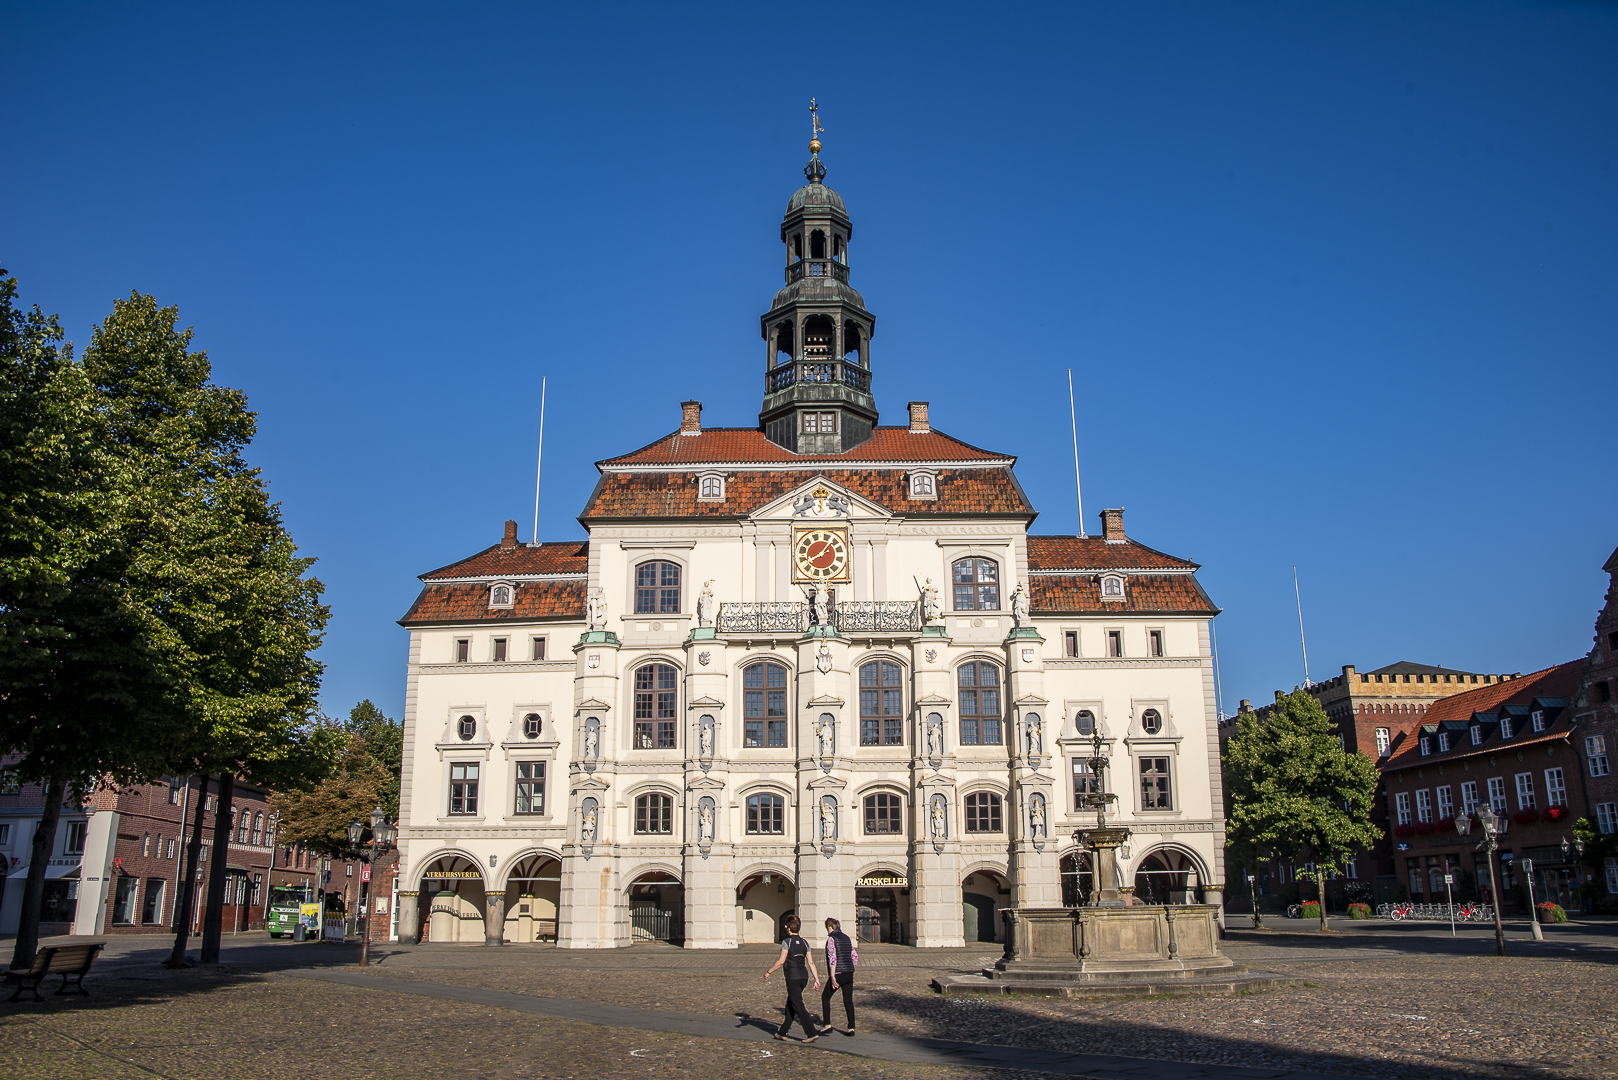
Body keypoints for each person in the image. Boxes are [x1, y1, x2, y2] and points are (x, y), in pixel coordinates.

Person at [763, 915, 821, 1041]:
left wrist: (769, 972)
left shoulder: (786, 942)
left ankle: (811, 1032)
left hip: (792, 977)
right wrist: (816, 979)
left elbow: (781, 961)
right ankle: (782, 1032)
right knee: (791, 1003)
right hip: (803, 977)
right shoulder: (805, 943)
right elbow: (811, 962)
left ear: (788, 928)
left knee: (798, 1004)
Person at [819, 917, 858, 1035]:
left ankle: (827, 1025)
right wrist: (851, 968)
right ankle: (851, 1027)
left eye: (827, 928)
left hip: (838, 973)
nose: (827, 931)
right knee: (848, 1000)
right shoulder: (846, 938)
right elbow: (854, 956)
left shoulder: (832, 939)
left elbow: (833, 958)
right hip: (849, 973)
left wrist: (833, 977)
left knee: (825, 997)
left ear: (830, 928)